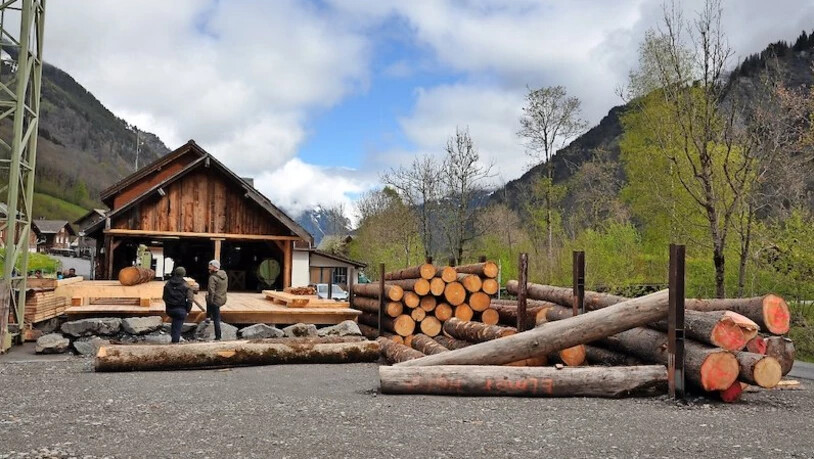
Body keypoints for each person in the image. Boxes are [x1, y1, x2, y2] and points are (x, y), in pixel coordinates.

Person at [162, 266, 193, 344]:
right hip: (181, 310)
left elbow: (164, 297)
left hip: (169, 309)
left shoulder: (168, 284)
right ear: (184, 274)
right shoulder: (186, 285)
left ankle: (173, 339)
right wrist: (188, 310)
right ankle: (175, 344)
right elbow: (190, 300)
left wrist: (168, 305)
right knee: (178, 326)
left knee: (175, 323)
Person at [205, 259, 228, 341]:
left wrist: (210, 302)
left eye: (210, 266)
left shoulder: (212, 277)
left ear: (214, 267)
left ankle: (218, 336)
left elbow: (211, 291)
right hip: (223, 298)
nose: (208, 267)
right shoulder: (224, 275)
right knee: (208, 298)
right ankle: (208, 317)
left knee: (216, 319)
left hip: (216, 300)